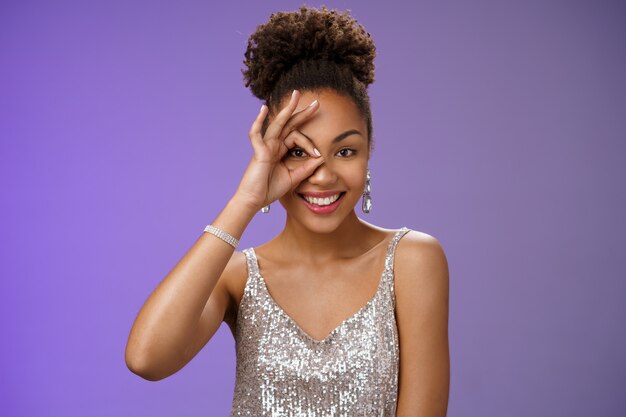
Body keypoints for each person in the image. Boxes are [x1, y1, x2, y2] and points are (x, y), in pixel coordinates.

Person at [125, 5, 450, 416]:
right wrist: (245, 200)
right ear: (271, 155)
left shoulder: (412, 260)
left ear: (369, 155)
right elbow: (146, 359)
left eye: (345, 150)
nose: (322, 175)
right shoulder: (238, 278)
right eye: (298, 152)